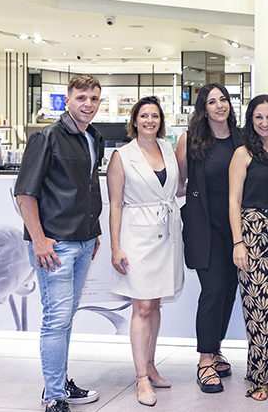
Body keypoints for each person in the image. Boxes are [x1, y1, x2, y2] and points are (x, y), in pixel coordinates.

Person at [15, 74, 104, 412]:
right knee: (56, 319)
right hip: (55, 246)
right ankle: (53, 395)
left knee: (65, 319)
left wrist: (93, 231)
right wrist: (38, 240)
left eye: (93, 98)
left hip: (83, 242)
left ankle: (60, 382)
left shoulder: (92, 137)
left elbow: (87, 190)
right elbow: (25, 193)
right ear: (67, 100)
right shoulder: (47, 137)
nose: (88, 104)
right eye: (81, 97)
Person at [107, 96, 183, 407]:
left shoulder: (167, 148)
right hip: (136, 238)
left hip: (166, 235)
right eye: (144, 116)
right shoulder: (122, 156)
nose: (149, 121)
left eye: (154, 116)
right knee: (142, 307)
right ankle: (141, 378)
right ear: (134, 121)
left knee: (155, 304)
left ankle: (151, 366)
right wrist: (115, 247)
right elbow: (115, 204)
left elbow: (176, 188)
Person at [176, 83, 243, 394]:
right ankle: (205, 359)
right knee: (214, 290)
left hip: (238, 228)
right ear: (203, 108)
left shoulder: (243, 138)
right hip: (205, 227)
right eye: (212, 101)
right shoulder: (190, 140)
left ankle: (215, 349)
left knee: (229, 291)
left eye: (224, 99)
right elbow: (178, 183)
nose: (220, 106)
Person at [229, 94, 268, 401]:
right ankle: (259, 377)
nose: (264, 122)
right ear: (250, 120)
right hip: (253, 234)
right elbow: (233, 201)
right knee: (259, 308)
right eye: (258, 117)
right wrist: (238, 242)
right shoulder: (242, 153)